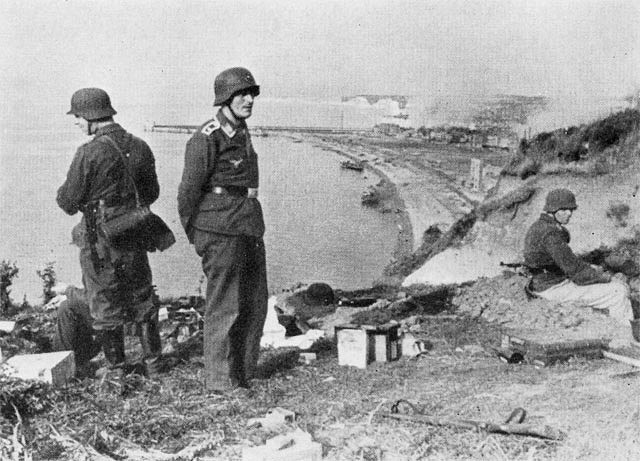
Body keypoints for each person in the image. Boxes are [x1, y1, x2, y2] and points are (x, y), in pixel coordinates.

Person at [56, 88, 163, 376]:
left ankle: (116, 371)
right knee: (142, 297)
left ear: (90, 117)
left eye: (77, 117)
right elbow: (152, 193)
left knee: (103, 304)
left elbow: (67, 202)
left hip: (100, 240)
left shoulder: (88, 152)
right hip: (134, 232)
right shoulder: (140, 146)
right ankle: (154, 365)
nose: (77, 123)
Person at [178, 67, 268, 392]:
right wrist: (199, 235)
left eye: (251, 94)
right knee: (224, 306)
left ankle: (242, 374)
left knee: (255, 302)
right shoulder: (207, 136)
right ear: (226, 98)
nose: (249, 100)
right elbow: (188, 193)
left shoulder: (241, 132)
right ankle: (219, 383)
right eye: (242, 94)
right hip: (219, 230)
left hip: (246, 226)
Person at [523, 188, 633, 343]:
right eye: (564, 209)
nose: (569, 213)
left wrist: (591, 268)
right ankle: (624, 340)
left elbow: (567, 261)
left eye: (571, 210)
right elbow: (577, 273)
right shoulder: (551, 234)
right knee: (618, 291)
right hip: (553, 288)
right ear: (553, 210)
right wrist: (608, 277)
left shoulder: (539, 226)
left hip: (543, 283)